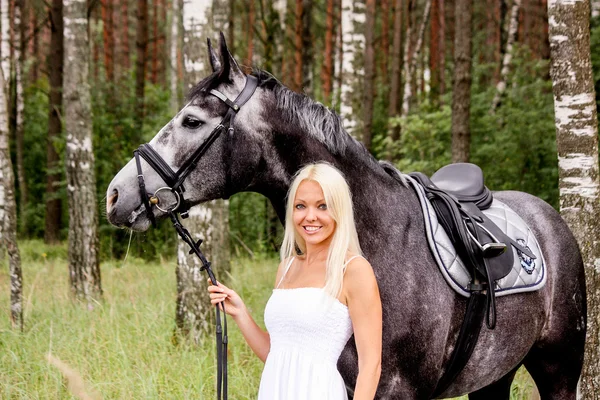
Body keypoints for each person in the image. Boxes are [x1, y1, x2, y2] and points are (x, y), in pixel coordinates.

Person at [207, 163, 382, 399]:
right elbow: (276, 352)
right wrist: (240, 313)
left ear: (339, 210)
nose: (310, 217)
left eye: (323, 206)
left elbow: (371, 366)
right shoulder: (287, 267)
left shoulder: (353, 270)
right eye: (301, 206)